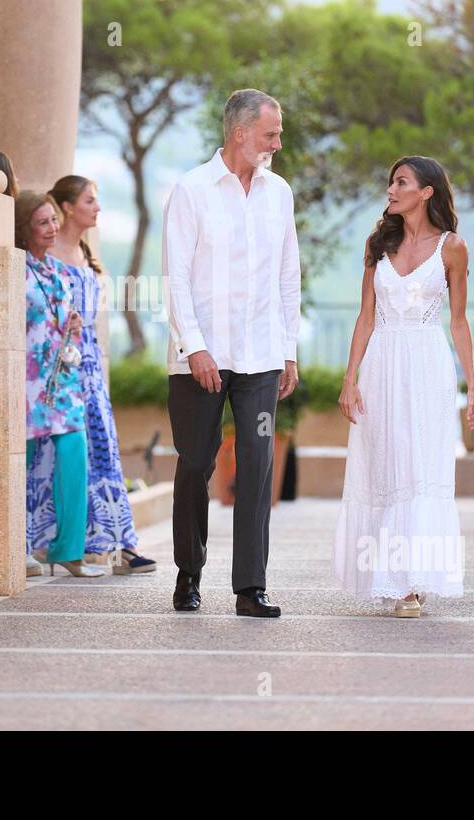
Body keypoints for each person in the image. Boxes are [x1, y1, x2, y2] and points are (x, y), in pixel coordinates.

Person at [161, 88, 300, 618]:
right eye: (271, 133)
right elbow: (175, 276)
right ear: (240, 133)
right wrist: (195, 347)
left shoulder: (279, 192)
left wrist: (287, 349)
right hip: (200, 357)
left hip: (261, 356)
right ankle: (188, 574)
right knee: (195, 464)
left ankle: (250, 588)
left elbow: (289, 274)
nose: (278, 143)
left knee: (258, 464)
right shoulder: (192, 190)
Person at [331, 155, 474, 617]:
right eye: (391, 182)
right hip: (381, 368)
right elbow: (365, 316)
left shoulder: (453, 248)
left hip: (428, 368)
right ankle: (393, 576)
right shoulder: (379, 244)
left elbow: (458, 322)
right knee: (386, 467)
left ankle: (411, 583)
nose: (391, 190)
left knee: (420, 468)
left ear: (426, 191)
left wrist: (472, 388)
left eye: (401, 182)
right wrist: (349, 377)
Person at [47, 174, 157, 574]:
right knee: (68, 454)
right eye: (90, 200)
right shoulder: (50, 253)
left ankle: (119, 543)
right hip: (62, 369)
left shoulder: (84, 251)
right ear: (67, 207)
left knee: (104, 448)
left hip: (90, 366)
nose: (97, 207)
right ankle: (71, 541)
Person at [17, 190, 102, 578]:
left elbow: (63, 314)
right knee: (23, 464)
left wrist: (73, 322)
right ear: (24, 229)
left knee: (74, 451)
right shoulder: (14, 269)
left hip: (62, 380)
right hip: (27, 380)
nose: (52, 228)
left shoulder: (55, 270)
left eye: (54, 220)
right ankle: (16, 548)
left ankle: (68, 550)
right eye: (43, 223)